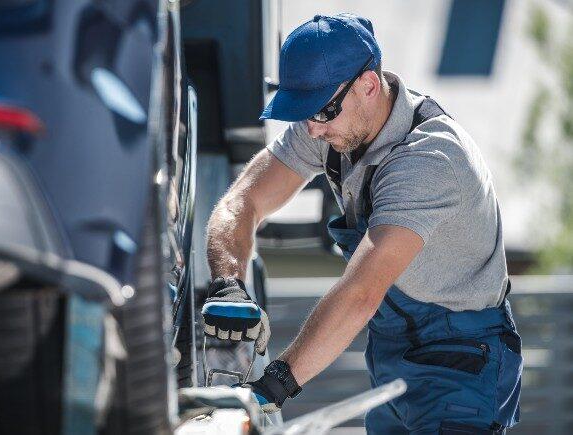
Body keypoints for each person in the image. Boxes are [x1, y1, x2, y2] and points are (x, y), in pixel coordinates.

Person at [200, 12, 522, 434]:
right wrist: (228, 285)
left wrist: (275, 384)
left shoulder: (429, 161)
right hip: (394, 353)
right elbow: (242, 202)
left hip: (462, 361)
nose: (312, 129)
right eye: (304, 113)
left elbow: (361, 292)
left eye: (322, 112)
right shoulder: (334, 123)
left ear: (368, 85)